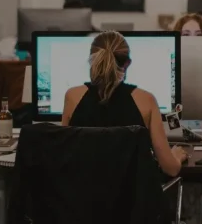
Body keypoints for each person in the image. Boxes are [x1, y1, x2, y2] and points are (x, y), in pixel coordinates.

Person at [62, 30, 187, 177]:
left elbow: (63, 157)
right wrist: (176, 157)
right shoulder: (146, 100)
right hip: (133, 199)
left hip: (80, 197)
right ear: (127, 63)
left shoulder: (72, 96)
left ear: (92, 60)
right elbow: (170, 169)